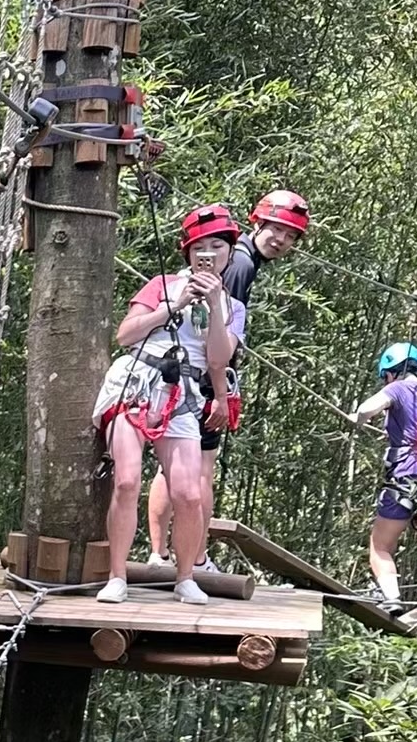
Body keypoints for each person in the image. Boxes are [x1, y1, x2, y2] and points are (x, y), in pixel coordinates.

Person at [148, 188, 310, 562]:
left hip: (183, 375)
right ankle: (197, 559)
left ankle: (161, 555)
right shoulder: (239, 265)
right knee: (201, 471)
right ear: (258, 222)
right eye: (276, 230)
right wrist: (218, 391)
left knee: (168, 468)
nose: (281, 240)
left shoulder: (238, 260)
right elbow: (216, 333)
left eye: (290, 236)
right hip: (201, 380)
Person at [93, 202, 241, 606]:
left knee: (189, 493)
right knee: (126, 480)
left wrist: (213, 308)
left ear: (229, 254)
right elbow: (126, 335)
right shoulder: (161, 285)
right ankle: (117, 575)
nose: (208, 254)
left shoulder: (232, 307)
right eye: (200, 248)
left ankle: (185, 576)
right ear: (188, 253)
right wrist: (173, 306)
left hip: (184, 393)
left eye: (217, 247)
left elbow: (217, 359)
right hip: (139, 385)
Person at [350, 341, 417, 606]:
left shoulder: (396, 388)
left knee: (380, 544)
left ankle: (392, 598)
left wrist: (358, 418)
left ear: (390, 371)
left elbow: (368, 408)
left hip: (406, 474)